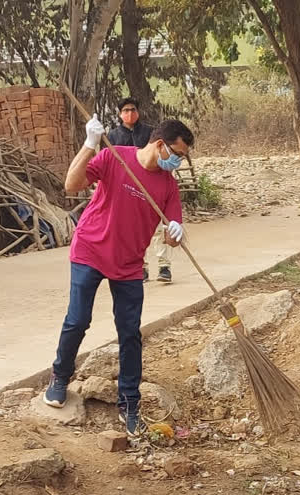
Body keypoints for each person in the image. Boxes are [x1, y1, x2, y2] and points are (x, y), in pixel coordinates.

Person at [43, 114, 193, 437]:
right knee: (77, 320)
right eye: (177, 154)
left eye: (182, 157)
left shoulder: (168, 186)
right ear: (159, 145)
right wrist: (89, 144)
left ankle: (129, 402)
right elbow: (71, 185)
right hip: (90, 251)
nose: (178, 162)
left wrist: (177, 231)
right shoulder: (115, 156)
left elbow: (170, 237)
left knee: (129, 334)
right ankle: (60, 377)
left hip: (128, 264)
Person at [107, 97, 174, 284]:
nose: (130, 113)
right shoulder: (113, 136)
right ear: (120, 114)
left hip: (150, 184)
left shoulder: (150, 133)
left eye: (133, 109)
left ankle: (164, 266)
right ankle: (141, 267)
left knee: (160, 228)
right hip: (126, 188)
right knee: (134, 229)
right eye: (126, 110)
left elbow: (159, 155)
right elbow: (110, 161)